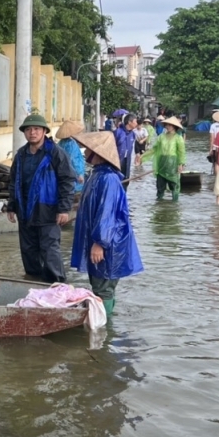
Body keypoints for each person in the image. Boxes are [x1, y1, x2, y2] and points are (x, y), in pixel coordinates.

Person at [70, 131, 143, 318]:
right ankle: (102, 326)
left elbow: (107, 214)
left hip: (107, 244)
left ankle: (104, 331)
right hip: (101, 242)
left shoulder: (108, 179)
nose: (85, 152)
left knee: (103, 289)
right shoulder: (97, 175)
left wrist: (100, 242)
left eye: (88, 149)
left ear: (98, 154)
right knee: (99, 286)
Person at [6, 114, 76, 282]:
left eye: (37, 129)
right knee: (28, 252)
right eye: (28, 129)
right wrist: (11, 206)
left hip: (48, 212)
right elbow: (14, 181)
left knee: (50, 251)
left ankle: (58, 286)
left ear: (44, 131)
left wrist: (64, 209)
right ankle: (33, 284)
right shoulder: (21, 155)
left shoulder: (55, 153)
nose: (32, 133)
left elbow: (67, 180)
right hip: (25, 213)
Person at [145, 117, 186, 201]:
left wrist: (181, 164)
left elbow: (181, 152)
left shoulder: (178, 138)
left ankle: (174, 205)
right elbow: (154, 149)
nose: (168, 126)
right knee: (160, 186)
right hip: (162, 163)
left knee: (174, 185)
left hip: (172, 164)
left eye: (171, 125)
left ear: (175, 126)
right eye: (167, 124)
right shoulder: (161, 137)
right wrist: (143, 156)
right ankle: (159, 204)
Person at [55, 120, 86, 194]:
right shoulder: (72, 144)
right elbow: (74, 160)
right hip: (73, 176)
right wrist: (80, 174)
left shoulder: (60, 143)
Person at [113, 114, 137, 178]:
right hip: (117, 160)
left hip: (127, 160)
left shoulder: (133, 134)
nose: (136, 124)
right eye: (135, 122)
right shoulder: (117, 132)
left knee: (126, 179)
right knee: (117, 178)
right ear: (129, 122)